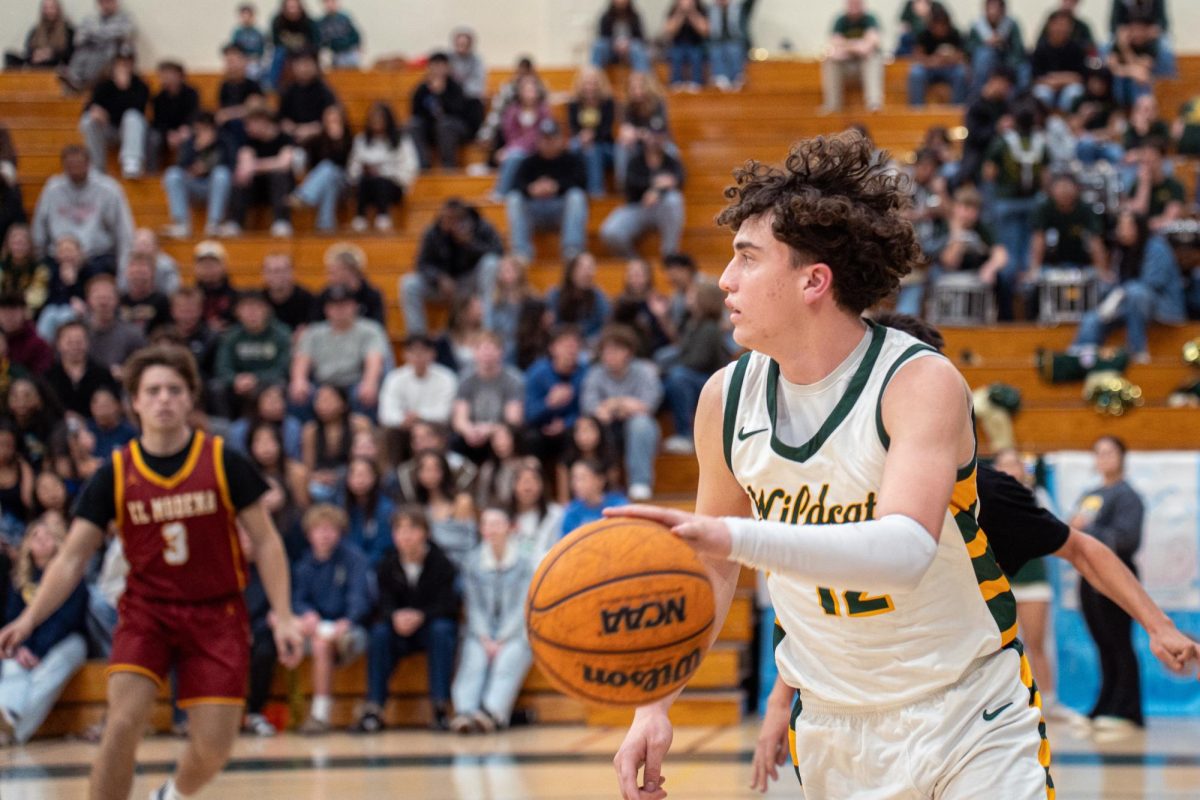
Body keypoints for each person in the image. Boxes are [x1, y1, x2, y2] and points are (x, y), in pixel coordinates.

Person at [608, 132, 1052, 800]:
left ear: (814, 281)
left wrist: (738, 537)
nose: (724, 281)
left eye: (747, 260)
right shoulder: (724, 401)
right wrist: (655, 704)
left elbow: (903, 549)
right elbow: (712, 573)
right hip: (833, 727)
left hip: (968, 710)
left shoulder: (918, 382)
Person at [752, 317, 1200, 790]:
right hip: (855, 716)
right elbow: (814, 614)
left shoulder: (986, 491)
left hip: (967, 705)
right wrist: (780, 705)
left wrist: (1159, 625)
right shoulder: (824, 487)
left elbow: (1084, 549)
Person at [0, 344, 303, 799]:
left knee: (215, 745)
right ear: (135, 402)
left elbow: (266, 541)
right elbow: (71, 557)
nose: (164, 398)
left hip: (216, 613)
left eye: (174, 390)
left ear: (189, 400)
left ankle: (172, 795)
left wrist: (284, 615)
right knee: (121, 723)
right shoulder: (115, 474)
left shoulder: (223, 461)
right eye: (153, 390)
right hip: (148, 612)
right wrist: (29, 617)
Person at [354, 505, 459, 733]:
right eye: (399, 529)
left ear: (426, 533)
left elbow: (449, 605)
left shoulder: (442, 563)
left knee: (442, 631)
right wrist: (395, 616)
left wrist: (421, 615)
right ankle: (374, 708)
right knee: (379, 634)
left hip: (429, 628)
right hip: (398, 630)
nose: (406, 535)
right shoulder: (387, 564)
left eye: (412, 528)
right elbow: (382, 603)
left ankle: (440, 706)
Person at [1071, 436, 1146, 735]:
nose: (1103, 458)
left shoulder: (1128, 496)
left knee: (1119, 641)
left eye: (1110, 452)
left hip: (1117, 575)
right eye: (1098, 452)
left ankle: (1128, 711)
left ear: (1122, 457)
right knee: (1102, 642)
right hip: (1090, 577)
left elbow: (1128, 539)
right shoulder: (1091, 494)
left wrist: (1090, 529)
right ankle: (1105, 705)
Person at [0, 512, 87, 745]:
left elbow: (67, 620)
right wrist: (22, 649)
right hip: (28, 644)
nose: (40, 539)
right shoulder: (20, 579)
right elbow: (12, 618)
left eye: (47, 535)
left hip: (67, 641)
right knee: (11, 662)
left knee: (50, 670)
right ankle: (9, 716)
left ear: (59, 542)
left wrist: (37, 651)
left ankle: (14, 730)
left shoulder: (72, 576)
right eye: (35, 535)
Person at [449, 506, 534, 734]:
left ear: (509, 528)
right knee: (473, 657)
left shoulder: (525, 562)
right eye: (487, 524)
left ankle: (491, 712)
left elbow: (521, 606)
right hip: (481, 631)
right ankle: (464, 712)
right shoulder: (472, 562)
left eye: (497, 524)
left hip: (515, 631)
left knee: (510, 657)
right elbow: (472, 605)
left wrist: (503, 638)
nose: (492, 529)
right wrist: (486, 637)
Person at [291, 503, 371, 734]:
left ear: (340, 532)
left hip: (351, 629)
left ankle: (320, 714)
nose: (325, 535)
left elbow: (360, 598)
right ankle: (311, 713)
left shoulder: (354, 559)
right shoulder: (304, 565)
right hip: (316, 630)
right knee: (310, 637)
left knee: (324, 643)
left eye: (330, 529)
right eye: (319, 529)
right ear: (309, 534)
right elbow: (297, 599)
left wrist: (347, 620)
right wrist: (307, 613)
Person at [1071, 210, 1185, 363]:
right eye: (1119, 226)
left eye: (1124, 226)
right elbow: (1116, 283)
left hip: (1164, 307)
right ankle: (1080, 357)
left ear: (1138, 227)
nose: (1119, 231)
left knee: (1136, 293)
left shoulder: (1157, 247)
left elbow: (1152, 283)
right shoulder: (1121, 252)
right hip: (1130, 306)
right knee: (1093, 317)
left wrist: (1118, 294)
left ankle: (1138, 352)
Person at [982, 98, 1050, 319]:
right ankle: (1031, 315)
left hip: (1007, 204)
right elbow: (1046, 178)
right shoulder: (1042, 143)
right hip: (1034, 204)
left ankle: (1007, 315)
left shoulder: (1002, 142)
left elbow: (989, 173)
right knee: (1029, 260)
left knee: (1009, 260)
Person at [581, 325, 662, 502]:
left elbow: (647, 405)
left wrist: (613, 404)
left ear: (629, 352)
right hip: (607, 427)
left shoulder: (644, 370)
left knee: (641, 424)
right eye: (606, 350)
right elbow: (590, 407)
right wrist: (624, 405)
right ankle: (598, 486)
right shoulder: (595, 374)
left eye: (616, 349)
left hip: (637, 427)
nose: (610, 355)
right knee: (591, 426)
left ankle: (640, 483)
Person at [33, 145, 134, 281]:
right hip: (58, 259)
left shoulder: (109, 189)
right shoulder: (52, 189)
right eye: (70, 164)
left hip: (96, 258)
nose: (74, 168)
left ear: (89, 163)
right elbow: (39, 229)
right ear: (63, 165)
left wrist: (123, 270)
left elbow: (123, 232)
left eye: (78, 164)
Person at [404, 199, 503, 336]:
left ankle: (487, 327)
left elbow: (498, 252)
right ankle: (418, 338)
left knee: (490, 263)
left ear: (463, 219)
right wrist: (438, 277)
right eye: (445, 218)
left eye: (452, 219)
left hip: (472, 284)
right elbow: (422, 264)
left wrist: (469, 244)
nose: (447, 222)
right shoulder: (433, 232)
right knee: (409, 283)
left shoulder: (481, 226)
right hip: (443, 286)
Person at [289, 285, 387, 414]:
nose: (339, 310)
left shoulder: (370, 330)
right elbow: (302, 359)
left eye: (344, 305)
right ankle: (308, 432)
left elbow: (374, 359)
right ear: (326, 309)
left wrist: (369, 382)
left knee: (366, 395)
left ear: (355, 306)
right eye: (334, 306)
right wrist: (299, 381)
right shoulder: (313, 333)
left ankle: (365, 431)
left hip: (354, 382)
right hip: (322, 383)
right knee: (298, 396)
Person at [505, 119, 590, 263]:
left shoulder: (571, 160)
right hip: (535, 212)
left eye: (552, 138)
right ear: (538, 140)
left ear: (560, 139)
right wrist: (531, 189)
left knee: (576, 196)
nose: (548, 142)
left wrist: (556, 187)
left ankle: (572, 251)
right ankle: (521, 252)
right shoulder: (529, 161)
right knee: (514, 198)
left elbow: (581, 183)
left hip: (561, 212)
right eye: (544, 139)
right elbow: (515, 185)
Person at [600, 117, 686, 259]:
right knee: (610, 232)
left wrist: (658, 192)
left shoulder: (671, 160)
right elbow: (629, 185)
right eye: (652, 135)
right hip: (636, 207)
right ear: (646, 136)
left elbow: (679, 179)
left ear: (665, 137)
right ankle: (634, 262)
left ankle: (669, 255)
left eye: (659, 135)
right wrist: (655, 185)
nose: (655, 139)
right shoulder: (636, 159)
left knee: (674, 200)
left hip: (661, 208)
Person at [661, 280, 728, 454]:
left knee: (678, 376)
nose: (688, 298)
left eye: (693, 295)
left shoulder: (709, 328)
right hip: (700, 378)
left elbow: (699, 361)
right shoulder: (693, 323)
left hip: (712, 382)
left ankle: (685, 435)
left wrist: (665, 370)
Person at [213, 289, 292, 418]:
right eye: (247, 308)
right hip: (238, 385)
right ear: (237, 312)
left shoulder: (281, 334)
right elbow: (222, 368)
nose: (252, 313)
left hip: (268, 382)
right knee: (217, 388)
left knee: (280, 386)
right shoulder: (231, 336)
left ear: (267, 310)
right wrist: (235, 380)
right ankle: (227, 427)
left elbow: (283, 368)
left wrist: (255, 378)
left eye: (257, 308)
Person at [451, 334, 525, 464]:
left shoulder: (513, 379)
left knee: (513, 436)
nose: (487, 354)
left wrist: (489, 429)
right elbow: (459, 419)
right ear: (475, 352)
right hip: (473, 431)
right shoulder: (465, 379)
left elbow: (513, 420)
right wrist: (469, 431)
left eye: (492, 349)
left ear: (501, 352)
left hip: (500, 429)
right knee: (455, 440)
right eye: (483, 349)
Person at [346, 101, 419, 233]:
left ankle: (383, 216)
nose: (376, 122)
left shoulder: (401, 141)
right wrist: (363, 171)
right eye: (373, 119)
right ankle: (360, 218)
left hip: (392, 186)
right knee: (365, 180)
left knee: (381, 181)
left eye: (380, 119)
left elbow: (410, 167)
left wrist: (383, 171)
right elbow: (353, 167)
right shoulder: (361, 140)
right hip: (366, 186)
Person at [1028, 172, 1109, 290]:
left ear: (1077, 189)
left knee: (1101, 286)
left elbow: (1095, 241)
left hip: (1082, 264)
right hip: (1051, 264)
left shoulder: (1086, 209)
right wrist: (1033, 270)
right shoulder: (1044, 208)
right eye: (1060, 187)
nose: (1064, 192)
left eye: (1067, 187)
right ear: (1051, 190)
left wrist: (1102, 270)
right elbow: (1038, 239)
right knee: (1031, 286)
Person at [161, 112, 235, 239]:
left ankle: (214, 223)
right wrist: (197, 148)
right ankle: (181, 224)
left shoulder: (225, 140)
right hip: (194, 185)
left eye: (205, 129)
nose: (202, 132)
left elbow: (231, 164)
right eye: (199, 129)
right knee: (172, 174)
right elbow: (181, 166)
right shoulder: (191, 142)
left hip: (215, 186)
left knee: (221, 174)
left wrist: (209, 160)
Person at [224, 109, 295, 238]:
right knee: (240, 176)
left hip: (279, 190)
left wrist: (256, 166)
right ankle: (235, 223)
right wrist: (253, 167)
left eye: (250, 124)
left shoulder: (285, 138)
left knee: (279, 175)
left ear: (262, 121)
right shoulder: (249, 140)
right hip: (255, 189)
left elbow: (284, 163)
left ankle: (281, 221)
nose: (247, 129)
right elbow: (245, 163)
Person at [378, 333, 459, 446]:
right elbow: (386, 413)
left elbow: (444, 413)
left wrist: (420, 416)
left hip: (434, 426)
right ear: (405, 354)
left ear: (433, 353)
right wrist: (403, 420)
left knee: (439, 431)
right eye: (413, 352)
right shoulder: (394, 378)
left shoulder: (446, 377)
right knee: (390, 432)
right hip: (404, 428)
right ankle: (394, 464)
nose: (418, 357)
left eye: (423, 352)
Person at [522, 325, 585, 468]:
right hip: (541, 428)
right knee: (530, 438)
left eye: (574, 345)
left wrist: (566, 423)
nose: (570, 350)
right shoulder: (537, 372)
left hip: (571, 428)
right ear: (552, 348)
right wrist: (549, 404)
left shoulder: (584, 374)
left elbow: (586, 410)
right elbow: (529, 414)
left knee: (578, 435)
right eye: (565, 345)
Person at [78, 50, 148, 179]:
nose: (124, 67)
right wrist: (96, 112)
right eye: (120, 63)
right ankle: (97, 168)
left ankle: (131, 162)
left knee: (132, 116)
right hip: (108, 130)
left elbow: (139, 110)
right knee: (88, 121)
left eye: (127, 64)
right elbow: (89, 106)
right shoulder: (104, 84)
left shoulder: (140, 86)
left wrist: (124, 88)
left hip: (129, 131)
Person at [289, 105, 352, 232]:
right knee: (329, 182)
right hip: (325, 184)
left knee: (329, 168)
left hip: (345, 183)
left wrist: (336, 139)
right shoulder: (318, 139)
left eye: (335, 120)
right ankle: (325, 227)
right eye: (329, 120)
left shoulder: (349, 139)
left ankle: (303, 196)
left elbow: (345, 164)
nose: (332, 123)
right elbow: (301, 151)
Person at [44, 319, 120, 417]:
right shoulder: (48, 377)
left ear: (87, 343)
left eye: (79, 341)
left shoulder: (102, 374)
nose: (75, 346)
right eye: (70, 342)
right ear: (58, 344)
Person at [409, 52, 472, 170]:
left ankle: (448, 166)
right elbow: (415, 112)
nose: (437, 70)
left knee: (445, 124)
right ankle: (422, 165)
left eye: (441, 66)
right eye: (434, 66)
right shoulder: (422, 88)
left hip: (454, 128)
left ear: (448, 68)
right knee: (413, 125)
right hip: (430, 128)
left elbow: (458, 111)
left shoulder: (455, 87)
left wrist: (440, 94)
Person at [821, 0, 884, 114]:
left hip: (864, 65)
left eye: (857, 3)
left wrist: (846, 45)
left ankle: (874, 104)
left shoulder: (870, 19)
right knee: (830, 60)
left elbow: (869, 46)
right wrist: (858, 45)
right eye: (851, 3)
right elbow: (834, 45)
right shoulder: (840, 21)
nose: (854, 6)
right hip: (848, 64)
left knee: (873, 57)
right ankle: (832, 105)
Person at [58, 0, 136, 93]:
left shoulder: (125, 18)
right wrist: (100, 36)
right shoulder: (90, 19)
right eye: (102, 2)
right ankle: (74, 79)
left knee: (107, 49)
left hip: (112, 54)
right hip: (92, 50)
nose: (105, 5)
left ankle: (80, 83)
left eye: (108, 2)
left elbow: (124, 34)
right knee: (82, 50)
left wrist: (97, 35)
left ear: (115, 2)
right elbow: (78, 39)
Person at [494, 75, 552, 197]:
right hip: (515, 150)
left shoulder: (544, 111)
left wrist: (510, 150)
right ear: (520, 93)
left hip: (537, 150)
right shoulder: (512, 110)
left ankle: (500, 192)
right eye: (526, 90)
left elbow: (541, 135)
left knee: (513, 156)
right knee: (514, 157)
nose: (529, 94)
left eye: (532, 90)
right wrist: (510, 149)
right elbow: (509, 135)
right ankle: (504, 192)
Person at [568, 67, 618, 197]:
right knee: (570, 149)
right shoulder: (574, 103)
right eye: (587, 83)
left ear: (600, 84)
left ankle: (596, 193)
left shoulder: (608, 102)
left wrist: (592, 136)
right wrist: (583, 136)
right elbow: (574, 127)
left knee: (593, 150)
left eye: (593, 83)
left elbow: (606, 129)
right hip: (580, 141)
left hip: (604, 145)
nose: (590, 86)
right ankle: (569, 191)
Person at [85, 273, 145, 379]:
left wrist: (126, 373)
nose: (103, 302)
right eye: (98, 297)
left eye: (108, 297)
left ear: (117, 300)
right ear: (88, 300)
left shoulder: (132, 334)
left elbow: (142, 367)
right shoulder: (78, 332)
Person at [907, 2, 968, 106]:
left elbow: (962, 56)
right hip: (929, 68)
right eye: (937, 25)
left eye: (943, 25)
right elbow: (917, 56)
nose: (940, 29)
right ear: (931, 25)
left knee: (961, 73)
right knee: (916, 72)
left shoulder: (955, 34)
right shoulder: (924, 35)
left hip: (949, 68)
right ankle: (917, 109)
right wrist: (932, 60)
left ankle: (957, 108)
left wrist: (949, 59)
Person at [966, 0, 1028, 100]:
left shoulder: (1011, 25)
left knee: (1024, 69)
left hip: (1008, 62)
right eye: (990, 8)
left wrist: (1002, 43)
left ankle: (1020, 102)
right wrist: (986, 44)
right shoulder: (977, 26)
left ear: (1003, 10)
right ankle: (976, 99)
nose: (993, 12)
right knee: (984, 54)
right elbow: (969, 49)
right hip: (984, 65)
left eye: (996, 8)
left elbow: (1018, 51)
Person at [315, 242, 386, 326]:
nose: (329, 277)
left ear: (348, 270)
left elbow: (378, 327)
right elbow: (316, 326)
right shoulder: (325, 294)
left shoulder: (372, 295)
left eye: (332, 273)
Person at [147, 61, 200, 173]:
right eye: (162, 75)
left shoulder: (191, 93)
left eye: (169, 74)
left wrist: (185, 128)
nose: (165, 78)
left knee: (189, 137)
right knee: (152, 137)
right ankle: (151, 173)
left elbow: (195, 114)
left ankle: (183, 172)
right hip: (167, 132)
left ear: (179, 76)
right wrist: (168, 133)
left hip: (186, 129)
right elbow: (158, 121)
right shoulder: (158, 98)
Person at [546, 252, 612, 342]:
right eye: (582, 268)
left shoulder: (598, 295)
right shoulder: (555, 294)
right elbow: (551, 325)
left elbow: (606, 324)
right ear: (571, 271)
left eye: (590, 268)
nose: (587, 273)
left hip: (590, 344)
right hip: (561, 343)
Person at [277, 49, 337, 148]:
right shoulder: (288, 90)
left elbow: (331, 119)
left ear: (316, 65)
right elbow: (281, 117)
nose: (303, 68)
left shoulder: (324, 91)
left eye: (307, 63)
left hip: (318, 141)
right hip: (292, 139)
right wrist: (292, 128)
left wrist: (309, 130)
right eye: (299, 63)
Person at [1031, 9, 1088, 111]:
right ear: (1049, 26)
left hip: (1068, 87)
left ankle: (1068, 119)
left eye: (1065, 25)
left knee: (1074, 92)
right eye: (1057, 24)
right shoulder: (1040, 49)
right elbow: (1036, 78)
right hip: (1047, 86)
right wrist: (1057, 80)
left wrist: (1058, 79)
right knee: (1041, 93)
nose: (1061, 28)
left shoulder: (1076, 49)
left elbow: (1080, 77)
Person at [1127, 140, 1184, 231]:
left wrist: (1147, 225)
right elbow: (1137, 213)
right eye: (1144, 161)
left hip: (1161, 233)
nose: (1147, 165)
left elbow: (1170, 219)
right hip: (1140, 235)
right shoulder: (1136, 185)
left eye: (1151, 159)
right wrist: (1144, 184)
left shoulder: (1175, 186)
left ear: (1162, 160)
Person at [561, 458, 627, 535]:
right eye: (573, 479)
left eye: (582, 478)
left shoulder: (619, 505)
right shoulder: (571, 511)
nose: (575, 484)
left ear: (600, 480)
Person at [5, 0, 74, 70]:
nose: (49, 11)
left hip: (56, 66)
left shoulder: (68, 31)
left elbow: (70, 55)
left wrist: (51, 54)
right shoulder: (35, 31)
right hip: (36, 66)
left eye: (52, 8)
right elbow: (28, 52)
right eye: (46, 8)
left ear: (58, 9)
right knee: (9, 56)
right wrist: (36, 55)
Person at [268, 0, 320, 90]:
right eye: (290, 7)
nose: (292, 10)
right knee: (278, 54)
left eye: (295, 7)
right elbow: (276, 42)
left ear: (300, 8)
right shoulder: (277, 21)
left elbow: (316, 42)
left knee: (312, 58)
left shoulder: (309, 22)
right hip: (286, 51)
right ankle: (272, 85)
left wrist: (305, 51)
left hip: (304, 51)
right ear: (284, 9)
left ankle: (317, 84)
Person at [117, 252, 171, 335]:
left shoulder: (162, 301)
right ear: (127, 273)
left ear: (152, 273)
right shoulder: (119, 300)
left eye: (142, 272)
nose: (138, 276)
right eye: (134, 272)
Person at [262, 251, 315, 332]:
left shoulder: (308, 299)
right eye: (271, 271)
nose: (276, 276)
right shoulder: (259, 299)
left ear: (292, 272)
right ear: (264, 274)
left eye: (282, 271)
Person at [592, 0, 651, 73]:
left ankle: (642, 77)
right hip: (611, 50)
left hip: (630, 51)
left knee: (637, 46)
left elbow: (641, 38)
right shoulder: (606, 17)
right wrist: (614, 43)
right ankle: (593, 76)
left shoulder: (635, 17)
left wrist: (628, 43)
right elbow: (603, 36)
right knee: (599, 44)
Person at [663, 0, 710, 91]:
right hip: (677, 45)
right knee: (676, 55)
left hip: (696, 44)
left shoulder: (701, 9)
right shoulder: (673, 10)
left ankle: (696, 84)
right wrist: (680, 13)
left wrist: (692, 12)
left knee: (696, 55)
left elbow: (704, 31)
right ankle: (676, 84)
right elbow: (670, 31)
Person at [448, 27, 486, 137]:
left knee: (476, 104)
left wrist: (458, 87)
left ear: (470, 45)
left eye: (464, 45)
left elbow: (478, 88)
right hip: (451, 103)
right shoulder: (448, 59)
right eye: (459, 45)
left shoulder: (477, 61)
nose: (461, 48)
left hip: (469, 104)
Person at [707, 0, 745, 91]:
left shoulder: (740, 9)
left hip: (735, 40)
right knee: (715, 50)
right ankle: (721, 79)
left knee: (733, 49)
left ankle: (736, 78)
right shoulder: (710, 9)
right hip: (716, 41)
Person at [317, 0, 361, 68]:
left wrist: (357, 46)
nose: (330, 5)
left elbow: (355, 35)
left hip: (349, 51)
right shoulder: (322, 22)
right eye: (327, 2)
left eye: (332, 2)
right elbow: (322, 41)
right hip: (335, 54)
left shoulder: (344, 18)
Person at [228, 3, 266, 80]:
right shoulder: (237, 33)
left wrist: (253, 59)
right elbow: (234, 49)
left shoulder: (258, 33)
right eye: (243, 16)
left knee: (253, 71)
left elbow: (261, 50)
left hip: (254, 60)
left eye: (248, 15)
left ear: (252, 17)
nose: (246, 18)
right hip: (240, 61)